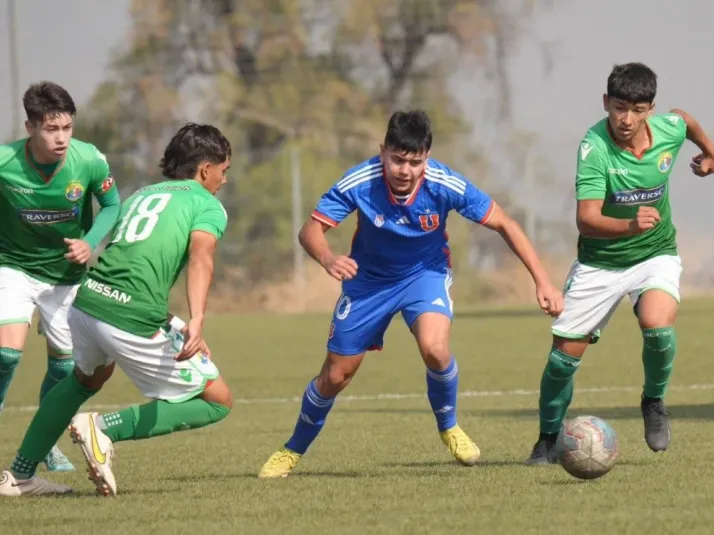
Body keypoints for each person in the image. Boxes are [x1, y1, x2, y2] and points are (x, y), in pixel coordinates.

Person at [258, 110, 564, 479]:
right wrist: (327, 257)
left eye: (415, 162)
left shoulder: (444, 183)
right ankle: (292, 449)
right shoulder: (360, 180)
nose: (405, 170)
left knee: (435, 349)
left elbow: (505, 223)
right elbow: (310, 231)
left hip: (426, 274)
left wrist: (542, 280)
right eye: (397, 160)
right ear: (382, 150)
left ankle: (449, 426)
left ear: (427, 158)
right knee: (336, 376)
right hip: (368, 282)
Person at [0, 122, 234, 497]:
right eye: (224, 171)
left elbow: (129, 260)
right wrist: (197, 320)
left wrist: (173, 322)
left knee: (85, 380)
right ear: (205, 169)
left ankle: (19, 475)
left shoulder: (143, 193)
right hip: (128, 315)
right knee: (218, 400)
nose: (224, 180)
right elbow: (201, 259)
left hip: (89, 300)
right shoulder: (207, 204)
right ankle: (104, 428)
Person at [524, 62, 714, 465]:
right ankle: (547, 440)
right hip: (601, 262)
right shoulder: (593, 148)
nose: (627, 119)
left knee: (657, 327)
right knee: (562, 359)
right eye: (620, 108)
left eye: (639, 109)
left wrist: (710, 154)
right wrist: (630, 224)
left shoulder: (668, 129)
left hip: (655, 253)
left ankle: (653, 401)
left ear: (651, 109)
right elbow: (586, 220)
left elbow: (686, 121)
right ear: (606, 103)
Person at [0, 81, 121, 472]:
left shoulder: (88, 160)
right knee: (6, 353)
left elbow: (112, 204)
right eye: (52, 129)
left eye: (67, 127)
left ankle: (45, 442)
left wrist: (89, 242)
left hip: (65, 276)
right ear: (30, 126)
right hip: (13, 266)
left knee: (67, 369)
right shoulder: (5, 162)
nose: (62, 137)